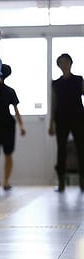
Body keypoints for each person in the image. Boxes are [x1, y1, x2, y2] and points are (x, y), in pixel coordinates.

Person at [48, 53, 84, 192]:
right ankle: (61, 182)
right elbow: (53, 103)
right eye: (61, 63)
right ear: (58, 65)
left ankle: (82, 181)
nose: (64, 65)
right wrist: (51, 124)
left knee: (81, 149)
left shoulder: (79, 80)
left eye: (66, 62)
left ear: (70, 63)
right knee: (61, 150)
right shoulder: (56, 83)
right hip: (61, 119)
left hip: (78, 118)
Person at [0, 64, 26, 191]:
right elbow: (16, 111)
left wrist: (21, 125)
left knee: (1, 153)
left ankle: (1, 180)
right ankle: (1, 181)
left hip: (0, 124)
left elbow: (16, 110)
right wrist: (21, 126)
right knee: (0, 153)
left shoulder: (3, 91)